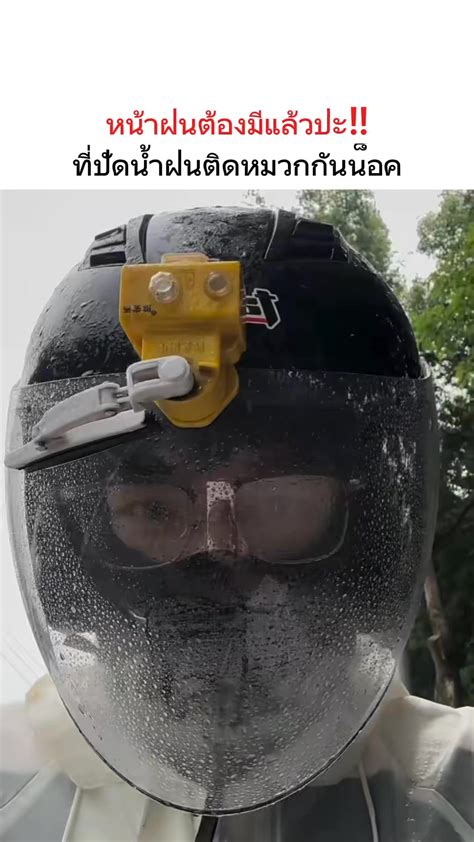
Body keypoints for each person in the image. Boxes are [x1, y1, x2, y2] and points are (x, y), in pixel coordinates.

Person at [2, 206, 473, 842]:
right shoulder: (9, 780)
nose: (217, 548)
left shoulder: (455, 781)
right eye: (155, 508)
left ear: (365, 525)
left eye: (277, 500)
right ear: (76, 538)